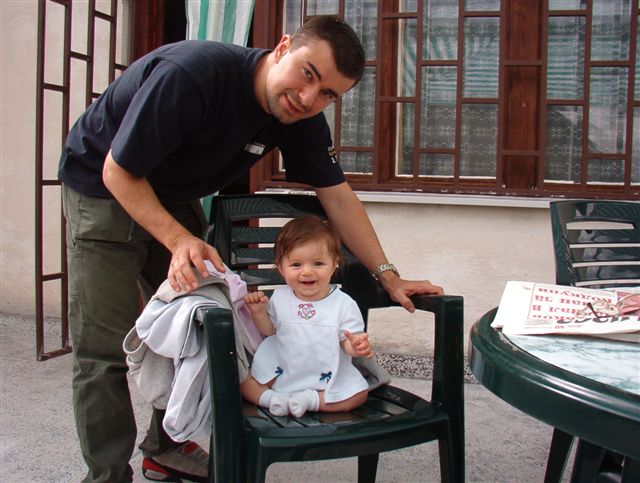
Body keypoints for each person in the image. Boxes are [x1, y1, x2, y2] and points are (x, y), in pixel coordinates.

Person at [58, 14, 443, 483]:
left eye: (327, 94)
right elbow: (118, 171)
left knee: (197, 329)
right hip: (102, 186)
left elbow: (338, 198)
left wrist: (389, 276)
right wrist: (178, 240)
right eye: (307, 74)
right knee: (103, 351)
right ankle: (107, 476)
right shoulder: (193, 75)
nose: (308, 98)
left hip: (172, 195)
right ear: (282, 47)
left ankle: (166, 448)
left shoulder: (299, 117)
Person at [241, 216, 373, 418]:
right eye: (296, 265)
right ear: (281, 268)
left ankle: (310, 399)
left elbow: (346, 341)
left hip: (325, 373)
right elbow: (269, 330)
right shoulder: (280, 297)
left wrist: (355, 346)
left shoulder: (343, 304)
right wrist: (258, 312)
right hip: (283, 366)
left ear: (334, 264)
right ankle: (273, 400)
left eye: (318, 263)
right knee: (244, 383)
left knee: (359, 394)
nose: (307, 272)